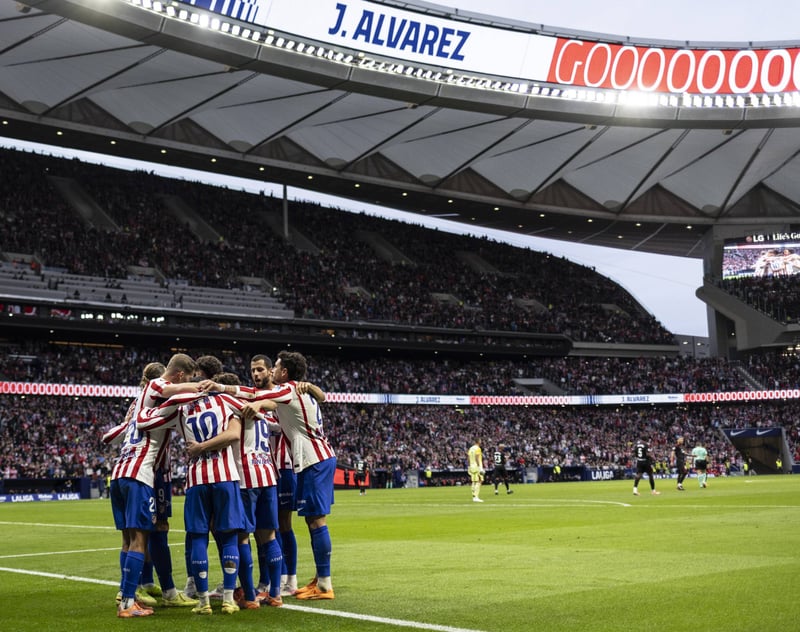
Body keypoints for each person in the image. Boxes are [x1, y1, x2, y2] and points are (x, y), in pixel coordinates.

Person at [137, 374, 247, 616]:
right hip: (225, 476)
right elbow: (253, 408)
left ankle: (203, 601)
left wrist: (137, 411)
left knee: (198, 538)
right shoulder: (224, 400)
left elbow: (144, 422)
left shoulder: (180, 409)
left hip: (196, 479)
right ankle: (229, 599)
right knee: (229, 537)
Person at [241, 350, 335, 600]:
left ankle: (325, 585)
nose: (271, 371)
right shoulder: (297, 390)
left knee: (317, 520)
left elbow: (260, 396)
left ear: (284, 372)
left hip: (314, 459)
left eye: (275, 367)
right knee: (312, 519)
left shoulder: (289, 389)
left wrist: (250, 401)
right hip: (311, 459)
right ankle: (320, 578)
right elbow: (320, 397)